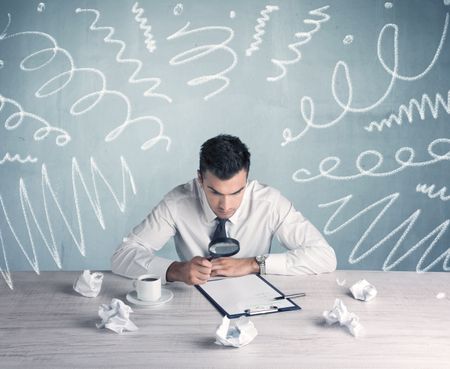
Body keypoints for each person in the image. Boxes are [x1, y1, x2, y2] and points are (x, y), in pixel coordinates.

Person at [111, 134, 336, 285]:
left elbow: (325, 257)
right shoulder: (177, 202)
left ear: (246, 179)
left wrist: (253, 264)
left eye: (236, 192)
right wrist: (176, 270)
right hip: (193, 303)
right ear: (200, 179)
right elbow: (122, 256)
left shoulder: (269, 202)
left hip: (256, 301)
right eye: (216, 192)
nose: (226, 206)